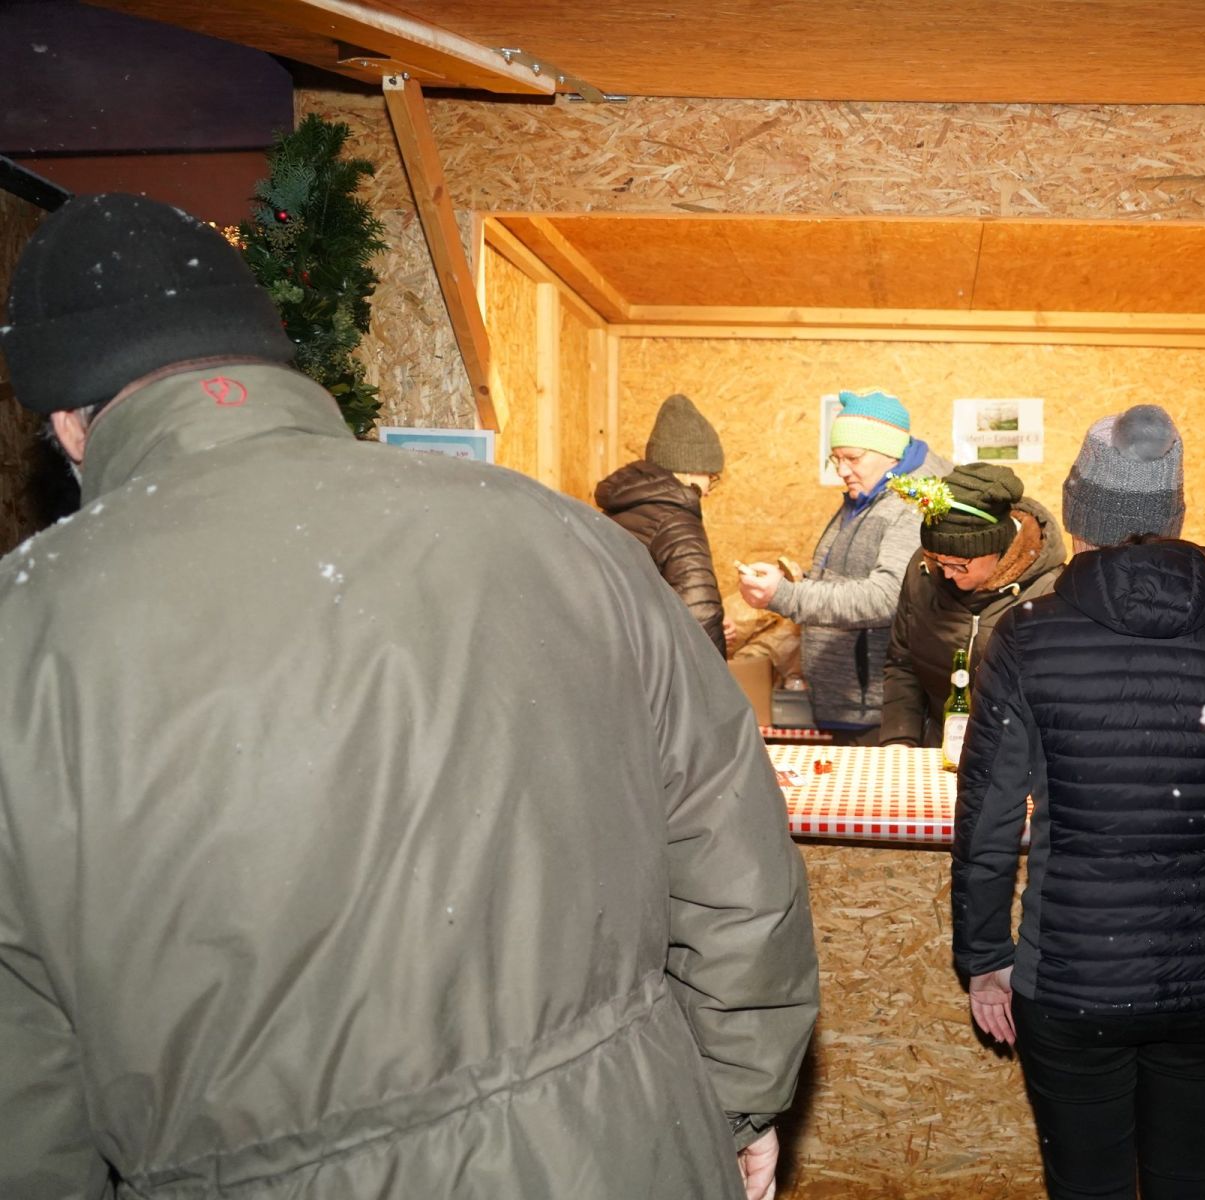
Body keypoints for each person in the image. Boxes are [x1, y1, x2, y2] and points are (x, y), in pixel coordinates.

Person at [0, 194, 818, 1199]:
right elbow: (732, 861)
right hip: (628, 1147)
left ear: (68, 424)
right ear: (270, 359)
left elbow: (20, 1084)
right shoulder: (565, 538)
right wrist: (731, 1103)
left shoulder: (25, 637)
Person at [951, 404, 1205, 1200]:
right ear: (1173, 513)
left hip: (1070, 979)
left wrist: (983, 960)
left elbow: (987, 817)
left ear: (1077, 513)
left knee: (1088, 1187)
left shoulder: (1027, 635)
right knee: (1190, 1182)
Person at [738, 389, 949, 743]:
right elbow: (850, 576)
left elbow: (887, 596)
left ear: (891, 453)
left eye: (852, 457)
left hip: (879, 708)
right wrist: (801, 581)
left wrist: (787, 595)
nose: (841, 470)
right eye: (835, 459)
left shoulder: (911, 504)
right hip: (849, 702)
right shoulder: (867, 495)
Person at [880, 462, 1066, 747]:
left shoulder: (1049, 591)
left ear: (997, 547)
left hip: (1013, 756)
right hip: (939, 745)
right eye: (937, 560)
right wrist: (899, 738)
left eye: (959, 564)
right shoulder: (923, 570)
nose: (947, 573)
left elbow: (1058, 695)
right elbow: (902, 664)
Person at [595, 392, 729, 655]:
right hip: (658, 666)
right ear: (689, 470)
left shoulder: (618, 509)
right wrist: (715, 675)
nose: (709, 490)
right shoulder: (676, 521)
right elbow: (700, 614)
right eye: (710, 476)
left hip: (621, 658)